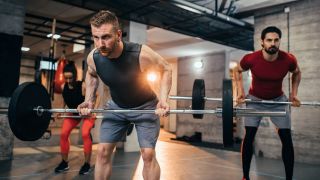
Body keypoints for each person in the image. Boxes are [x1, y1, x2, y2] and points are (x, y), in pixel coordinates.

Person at [77, 10, 172, 180]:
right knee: (103, 153)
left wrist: (163, 100)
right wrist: (89, 101)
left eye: (106, 37)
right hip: (116, 106)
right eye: (96, 37)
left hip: (146, 106)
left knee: (148, 155)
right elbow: (91, 74)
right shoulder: (94, 58)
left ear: (119, 34)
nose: (100, 44)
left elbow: (166, 68)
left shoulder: (140, 54)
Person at [234, 26, 301, 180]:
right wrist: (239, 91)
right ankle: (245, 176)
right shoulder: (251, 58)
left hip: (278, 100)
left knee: (286, 137)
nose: (273, 43)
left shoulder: (288, 59)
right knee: (249, 135)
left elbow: (297, 72)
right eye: (269, 40)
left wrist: (294, 94)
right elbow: (237, 70)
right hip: (255, 100)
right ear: (262, 42)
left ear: (279, 42)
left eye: (276, 40)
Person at [54, 62, 95, 175]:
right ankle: (64, 163)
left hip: (85, 112)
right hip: (73, 113)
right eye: (66, 78)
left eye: (70, 77)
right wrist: (61, 111)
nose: (67, 80)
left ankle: (87, 164)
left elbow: (94, 97)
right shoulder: (63, 86)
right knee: (63, 134)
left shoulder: (82, 85)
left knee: (85, 133)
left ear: (75, 76)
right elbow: (65, 100)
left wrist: (93, 111)